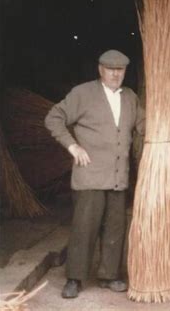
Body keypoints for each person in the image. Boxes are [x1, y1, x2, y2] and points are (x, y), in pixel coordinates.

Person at [45, 49, 144, 299]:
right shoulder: (83, 93)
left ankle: (109, 276)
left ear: (125, 72)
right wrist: (72, 146)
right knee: (84, 229)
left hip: (118, 176)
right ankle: (75, 278)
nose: (115, 74)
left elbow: (144, 125)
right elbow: (54, 117)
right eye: (110, 69)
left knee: (115, 228)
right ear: (100, 70)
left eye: (120, 70)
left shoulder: (130, 97)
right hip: (90, 176)